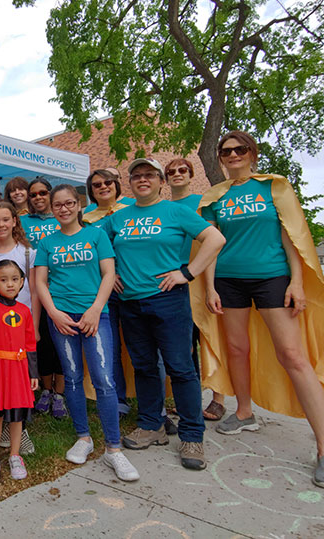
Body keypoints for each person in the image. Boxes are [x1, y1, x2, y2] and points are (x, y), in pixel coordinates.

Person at [197, 131, 324, 488]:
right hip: (229, 280)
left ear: (252, 153)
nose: (232, 155)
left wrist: (296, 281)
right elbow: (212, 244)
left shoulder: (274, 187)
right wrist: (210, 286)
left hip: (271, 278)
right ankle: (244, 412)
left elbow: (291, 236)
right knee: (236, 349)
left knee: (292, 355)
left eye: (239, 149)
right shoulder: (216, 196)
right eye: (226, 151)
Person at [110, 158, 224, 471]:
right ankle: (152, 426)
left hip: (169, 300)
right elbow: (91, 241)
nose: (142, 180)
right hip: (131, 302)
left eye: (149, 175)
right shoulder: (120, 217)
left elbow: (215, 239)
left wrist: (188, 273)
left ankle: (192, 435)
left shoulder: (176, 212)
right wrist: (111, 273)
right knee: (144, 366)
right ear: (130, 183)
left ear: (161, 181)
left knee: (181, 367)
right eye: (137, 176)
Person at [34, 184, 140, 482]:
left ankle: (114, 449)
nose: (64, 209)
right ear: (52, 209)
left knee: (104, 379)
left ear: (79, 205)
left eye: (69, 203)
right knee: (72, 377)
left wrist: (96, 309)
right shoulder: (47, 242)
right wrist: (53, 313)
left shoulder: (95, 235)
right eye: (58, 205)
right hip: (62, 318)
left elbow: (109, 274)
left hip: (96, 316)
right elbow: (41, 282)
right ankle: (83, 437)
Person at [0, 201, 38, 453]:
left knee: (20, 379)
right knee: (0, 379)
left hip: (22, 325)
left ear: (15, 221)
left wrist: (34, 326)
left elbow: (35, 291)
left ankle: (19, 429)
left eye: (6, 219)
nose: (2, 224)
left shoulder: (27, 253)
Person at [165, 158, 220, 421]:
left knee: (209, 338)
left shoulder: (203, 203)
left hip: (198, 276)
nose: (177, 175)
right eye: (171, 172)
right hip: (171, 281)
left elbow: (214, 242)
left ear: (191, 175)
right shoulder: (162, 208)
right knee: (183, 345)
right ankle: (189, 400)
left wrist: (210, 287)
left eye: (182, 171)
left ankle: (218, 397)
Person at [0, 260, 39, 481]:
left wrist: (33, 373)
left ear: (22, 281)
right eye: (4, 280)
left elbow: (31, 344)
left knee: (16, 416)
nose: (10, 284)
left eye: (15, 279)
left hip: (19, 371)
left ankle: (15, 455)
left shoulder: (24, 311)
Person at [82, 168, 132, 418]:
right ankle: (119, 398)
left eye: (108, 182)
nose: (103, 187)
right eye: (97, 184)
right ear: (91, 191)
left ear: (117, 185)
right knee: (109, 347)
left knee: (140, 347)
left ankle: (152, 403)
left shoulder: (133, 209)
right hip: (104, 290)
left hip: (134, 287)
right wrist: (109, 277)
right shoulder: (86, 218)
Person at [19, 177, 66, 418]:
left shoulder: (63, 218)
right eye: (33, 194)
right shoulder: (22, 221)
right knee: (43, 342)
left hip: (63, 287)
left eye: (43, 193)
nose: (38, 197)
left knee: (63, 341)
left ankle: (60, 392)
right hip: (33, 289)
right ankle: (46, 390)